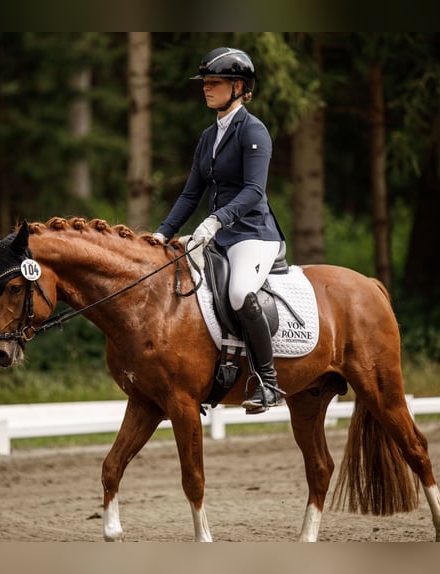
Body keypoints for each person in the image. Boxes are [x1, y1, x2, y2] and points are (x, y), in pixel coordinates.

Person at [152, 47, 286, 415]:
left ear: (238, 86)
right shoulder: (208, 137)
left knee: (241, 293)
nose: (206, 89)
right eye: (205, 83)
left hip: (252, 234)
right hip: (218, 235)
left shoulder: (253, 130)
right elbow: (191, 193)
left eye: (214, 83)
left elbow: (253, 191)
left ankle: (269, 382)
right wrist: (162, 234)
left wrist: (215, 220)